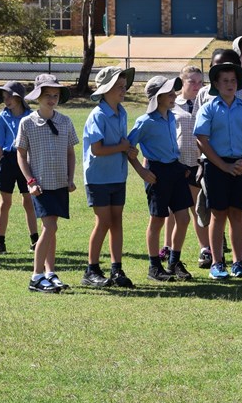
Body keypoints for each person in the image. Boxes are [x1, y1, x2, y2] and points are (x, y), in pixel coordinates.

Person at [195, 59, 242, 279]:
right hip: (216, 166)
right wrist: (222, 165)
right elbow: (201, 140)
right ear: (216, 83)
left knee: (237, 213)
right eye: (224, 80)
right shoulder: (208, 108)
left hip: (240, 165)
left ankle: (238, 263)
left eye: (233, 80)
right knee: (218, 214)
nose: (229, 84)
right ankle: (217, 263)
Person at [129, 75, 196, 282]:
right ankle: (154, 267)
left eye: (173, 92)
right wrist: (141, 171)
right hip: (156, 173)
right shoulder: (145, 121)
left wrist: (179, 167)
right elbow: (129, 149)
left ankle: (174, 261)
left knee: (183, 218)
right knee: (157, 220)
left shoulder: (170, 116)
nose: (174, 95)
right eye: (168, 93)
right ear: (157, 97)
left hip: (175, 170)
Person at [16, 74, 79, 293]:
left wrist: (70, 178)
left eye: (55, 95)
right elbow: (21, 155)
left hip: (60, 183)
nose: (52, 99)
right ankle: (35, 277)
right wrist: (30, 182)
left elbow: (71, 153)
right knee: (49, 226)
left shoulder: (65, 121)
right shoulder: (27, 123)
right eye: (47, 95)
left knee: (52, 228)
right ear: (37, 97)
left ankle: (50, 272)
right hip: (40, 185)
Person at [81, 66, 141, 289]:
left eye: (124, 86)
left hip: (117, 175)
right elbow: (96, 149)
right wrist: (122, 147)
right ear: (105, 89)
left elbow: (121, 143)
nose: (123, 90)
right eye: (118, 86)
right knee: (104, 221)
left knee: (117, 221)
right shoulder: (97, 115)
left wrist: (127, 149)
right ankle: (92, 270)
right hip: (98, 177)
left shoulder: (122, 112)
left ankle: (117, 269)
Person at [0, 81, 39, 256]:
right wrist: (3, 163)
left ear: (19, 97)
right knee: (5, 203)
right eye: (4, 97)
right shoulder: (0, 118)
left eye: (10, 96)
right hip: (9, 160)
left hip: (27, 160)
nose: (6, 100)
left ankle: (35, 241)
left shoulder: (32, 117)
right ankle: (0, 242)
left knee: (29, 201)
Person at [168, 65, 207, 266]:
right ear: (182, 82)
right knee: (174, 210)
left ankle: (205, 249)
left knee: (198, 208)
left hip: (199, 163)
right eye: (192, 81)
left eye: (200, 82)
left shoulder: (206, 103)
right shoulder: (172, 104)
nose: (197, 86)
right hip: (178, 163)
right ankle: (168, 248)